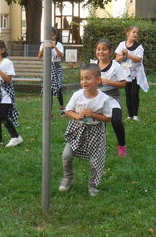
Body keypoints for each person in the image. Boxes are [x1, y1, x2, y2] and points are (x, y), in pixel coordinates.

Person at [58, 63, 112, 196]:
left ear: (98, 80)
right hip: (77, 130)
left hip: (96, 133)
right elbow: (68, 110)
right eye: (82, 78)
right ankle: (68, 178)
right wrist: (77, 115)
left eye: (88, 78)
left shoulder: (104, 99)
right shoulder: (77, 95)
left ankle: (92, 186)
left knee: (95, 162)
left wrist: (93, 114)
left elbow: (108, 118)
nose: (84, 81)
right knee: (66, 155)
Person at [91, 39, 127, 157]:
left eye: (104, 49)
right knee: (98, 123)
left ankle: (122, 146)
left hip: (112, 98)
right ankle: (97, 149)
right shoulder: (92, 65)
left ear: (110, 52)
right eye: (98, 49)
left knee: (116, 121)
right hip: (97, 98)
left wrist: (109, 82)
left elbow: (123, 84)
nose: (101, 52)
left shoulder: (116, 66)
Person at [0, 39, 23, 147]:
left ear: (2, 50)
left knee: (3, 115)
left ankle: (16, 137)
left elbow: (8, 79)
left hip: (5, 94)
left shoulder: (7, 62)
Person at [115, 25, 149, 122]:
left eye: (137, 33)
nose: (136, 34)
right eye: (134, 32)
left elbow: (139, 59)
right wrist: (123, 56)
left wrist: (128, 54)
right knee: (128, 93)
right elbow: (117, 59)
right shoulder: (122, 45)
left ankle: (135, 115)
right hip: (125, 73)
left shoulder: (139, 46)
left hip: (136, 73)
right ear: (127, 33)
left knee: (134, 93)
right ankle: (130, 115)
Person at [38, 27, 66, 116]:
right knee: (48, 89)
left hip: (56, 66)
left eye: (52, 35)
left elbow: (61, 55)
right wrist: (45, 47)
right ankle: (49, 111)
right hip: (47, 66)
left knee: (58, 87)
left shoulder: (59, 45)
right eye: (49, 35)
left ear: (56, 36)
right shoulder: (43, 44)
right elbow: (39, 56)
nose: (51, 37)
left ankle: (62, 108)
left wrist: (54, 47)